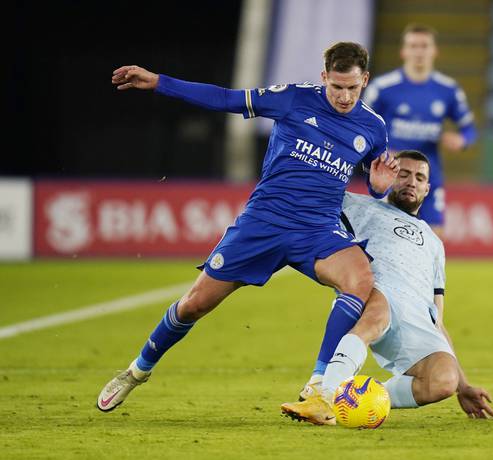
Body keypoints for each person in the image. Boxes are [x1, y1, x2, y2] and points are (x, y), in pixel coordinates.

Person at [97, 42, 401, 412]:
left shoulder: (373, 127)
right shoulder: (292, 99)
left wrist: (379, 187)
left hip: (317, 229)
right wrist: (160, 82)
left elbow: (376, 179)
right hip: (264, 223)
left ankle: (319, 384)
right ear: (324, 77)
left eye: (352, 88)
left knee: (360, 279)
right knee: (194, 305)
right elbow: (226, 99)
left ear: (365, 80)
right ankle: (137, 371)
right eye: (337, 87)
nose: (344, 96)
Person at [281, 150, 493, 425]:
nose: (411, 182)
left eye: (420, 178)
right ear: (390, 176)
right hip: (377, 290)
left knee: (443, 380)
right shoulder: (358, 206)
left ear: (427, 188)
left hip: (417, 315)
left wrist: (463, 385)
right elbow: (314, 194)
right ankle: (323, 395)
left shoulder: (434, 243)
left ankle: (360, 397)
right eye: (404, 174)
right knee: (376, 315)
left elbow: (438, 318)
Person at [363, 23, 477, 238]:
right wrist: (382, 152)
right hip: (392, 176)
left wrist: (461, 140)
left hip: (430, 176)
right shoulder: (382, 88)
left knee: (434, 239)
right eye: (413, 46)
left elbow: (470, 130)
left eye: (424, 46)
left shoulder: (448, 90)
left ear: (434, 51)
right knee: (388, 238)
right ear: (403, 51)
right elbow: (361, 127)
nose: (419, 51)